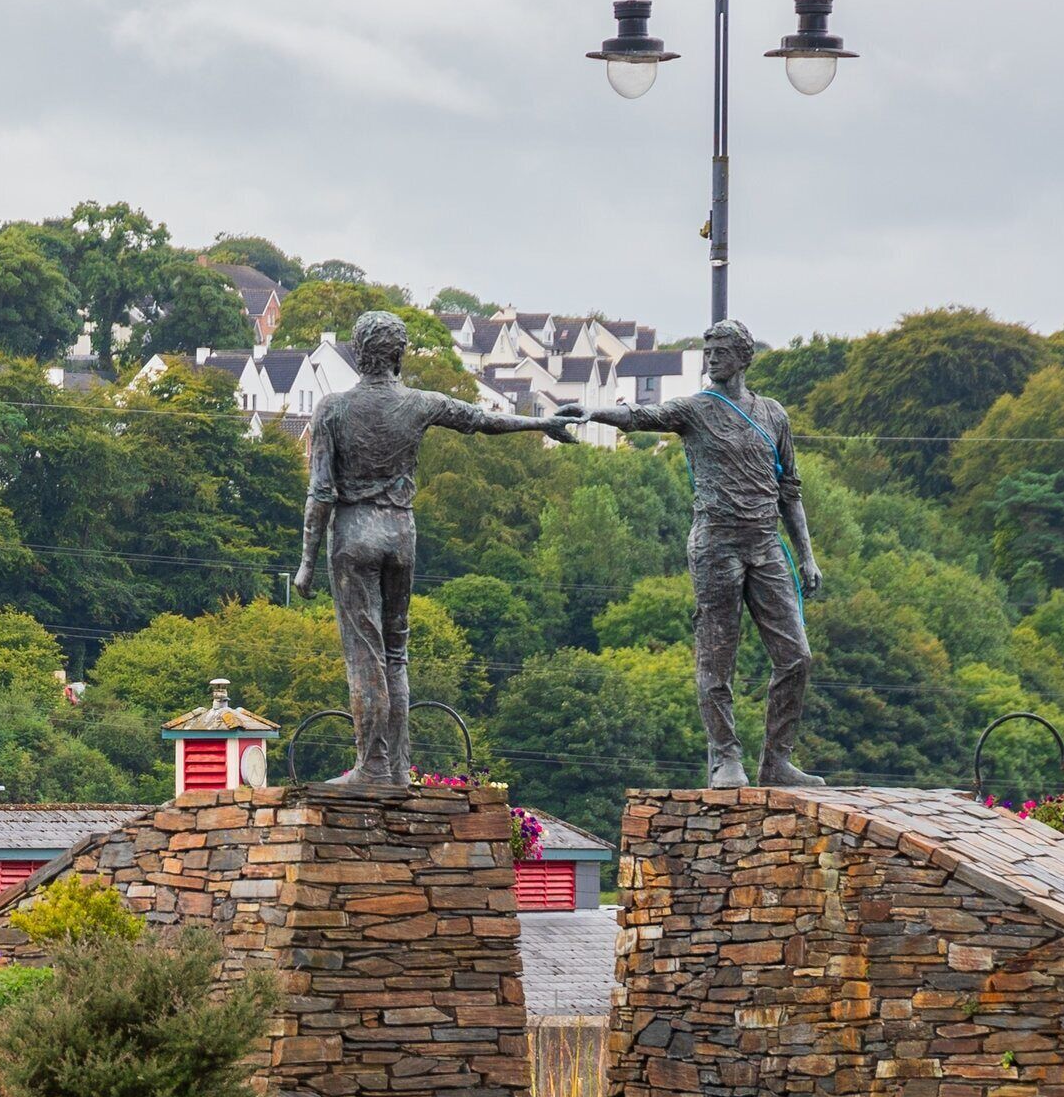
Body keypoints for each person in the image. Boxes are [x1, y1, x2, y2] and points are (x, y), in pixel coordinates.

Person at [291, 310, 574, 784]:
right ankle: (398, 766)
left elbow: (320, 492)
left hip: (355, 533)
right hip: (401, 534)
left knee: (366, 655)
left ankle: (373, 766)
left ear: (359, 354)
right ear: (398, 356)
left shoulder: (333, 409)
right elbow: (481, 419)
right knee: (397, 653)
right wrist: (540, 425)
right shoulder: (420, 403)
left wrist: (305, 563)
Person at [559, 318, 823, 788]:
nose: (712, 358)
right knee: (717, 658)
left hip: (765, 547)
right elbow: (641, 417)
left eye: (721, 350)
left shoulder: (773, 415)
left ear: (744, 357)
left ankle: (776, 761)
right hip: (715, 546)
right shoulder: (697, 409)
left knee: (797, 656)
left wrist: (806, 555)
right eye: (708, 350)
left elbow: (790, 489)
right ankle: (726, 757)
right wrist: (591, 412)